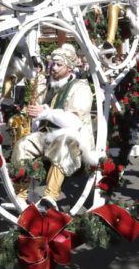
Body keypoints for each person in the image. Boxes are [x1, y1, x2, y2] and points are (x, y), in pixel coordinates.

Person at [9, 44, 94, 211]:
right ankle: (20, 195)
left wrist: (45, 113)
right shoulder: (51, 87)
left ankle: (50, 196)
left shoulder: (80, 87)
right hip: (47, 135)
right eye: (51, 64)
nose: (53, 68)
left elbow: (75, 122)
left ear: (69, 67)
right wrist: (34, 117)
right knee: (23, 144)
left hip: (73, 140)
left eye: (58, 64)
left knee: (63, 142)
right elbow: (41, 118)